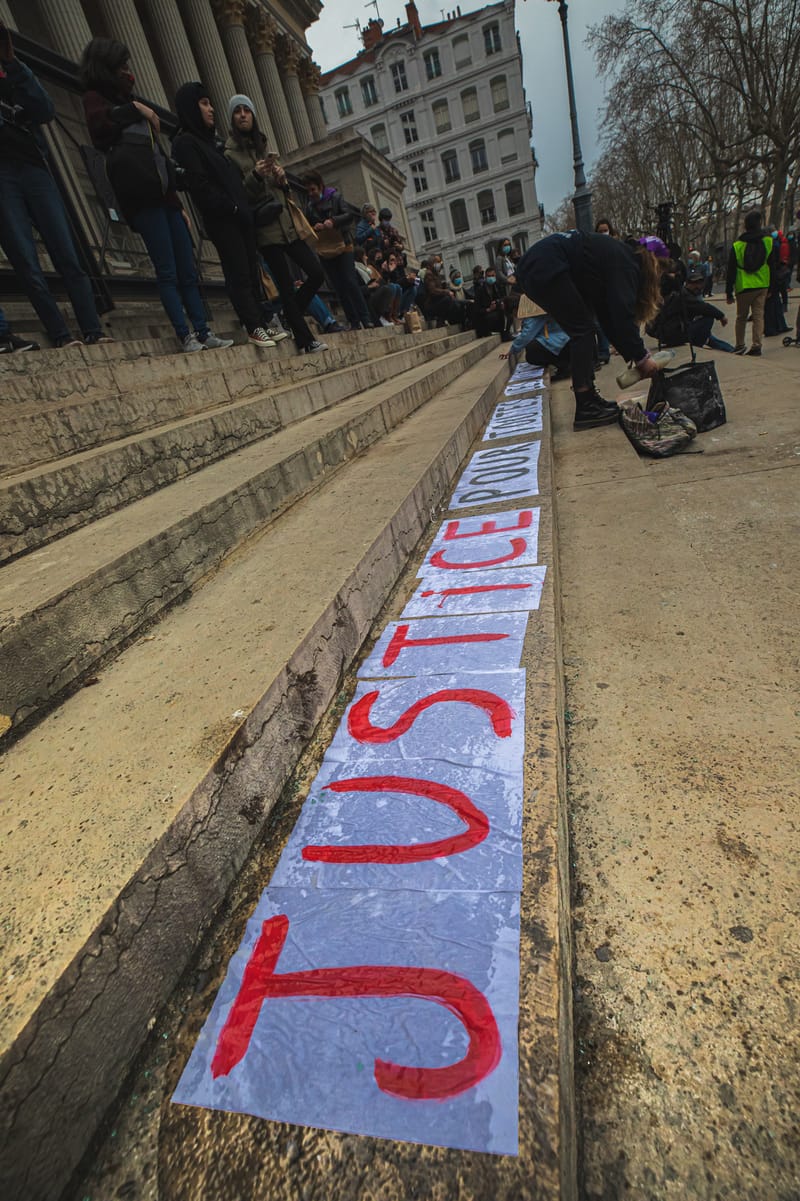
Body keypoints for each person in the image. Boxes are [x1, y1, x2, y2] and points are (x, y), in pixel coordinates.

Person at [80, 39, 232, 354]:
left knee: (187, 269)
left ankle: (202, 331)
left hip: (164, 197)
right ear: (107, 66)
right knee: (167, 270)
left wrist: (177, 201)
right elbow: (100, 131)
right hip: (141, 199)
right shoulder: (98, 98)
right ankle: (185, 334)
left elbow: (157, 155)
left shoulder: (128, 98)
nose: (128, 71)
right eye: (121, 65)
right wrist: (136, 109)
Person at [0, 24, 109, 348]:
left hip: (34, 169)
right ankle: (61, 335)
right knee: (26, 259)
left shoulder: (13, 74)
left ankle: (93, 329)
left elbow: (45, 110)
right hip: (2, 176)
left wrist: (14, 64)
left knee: (68, 253)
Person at [515, 230, 668, 430]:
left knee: (586, 327)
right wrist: (641, 357)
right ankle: (586, 403)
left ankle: (589, 396)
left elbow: (607, 318)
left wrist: (633, 353)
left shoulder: (615, 258)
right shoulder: (626, 262)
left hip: (539, 266)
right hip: (546, 265)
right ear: (653, 261)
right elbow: (622, 315)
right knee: (583, 331)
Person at [172, 83, 276, 348]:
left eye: (210, 103)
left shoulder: (211, 143)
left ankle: (262, 322)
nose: (211, 109)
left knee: (251, 271)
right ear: (191, 107)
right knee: (238, 271)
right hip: (223, 219)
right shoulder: (186, 143)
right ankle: (253, 325)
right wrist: (231, 207)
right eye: (204, 103)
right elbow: (201, 186)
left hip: (239, 217)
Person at [224, 94, 326, 354]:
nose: (244, 115)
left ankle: (289, 316)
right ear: (232, 118)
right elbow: (239, 195)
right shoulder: (230, 154)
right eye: (238, 111)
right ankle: (305, 339)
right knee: (286, 284)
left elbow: (282, 192)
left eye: (247, 110)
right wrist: (256, 175)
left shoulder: (262, 145)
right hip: (265, 229)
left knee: (315, 273)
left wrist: (282, 181)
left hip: (286, 225)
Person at [301, 170, 374, 331]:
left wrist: (333, 221)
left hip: (343, 245)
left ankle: (365, 318)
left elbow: (348, 215)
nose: (311, 193)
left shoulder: (335, 197)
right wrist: (316, 227)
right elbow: (307, 227)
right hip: (325, 249)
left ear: (320, 187)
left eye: (313, 189)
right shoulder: (309, 207)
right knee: (338, 286)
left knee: (350, 281)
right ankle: (353, 321)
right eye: (308, 191)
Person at [725, 209, 776, 356]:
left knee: (741, 317)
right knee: (758, 315)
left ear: (746, 226)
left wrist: (729, 291)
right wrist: (772, 286)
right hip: (762, 284)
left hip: (744, 285)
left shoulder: (737, 246)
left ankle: (740, 344)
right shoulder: (768, 242)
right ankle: (757, 345)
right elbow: (772, 265)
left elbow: (731, 270)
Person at [649, 268, 735, 351]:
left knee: (708, 337)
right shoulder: (685, 296)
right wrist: (721, 316)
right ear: (687, 284)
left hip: (670, 332)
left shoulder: (681, 294)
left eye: (700, 283)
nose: (698, 286)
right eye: (694, 283)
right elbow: (705, 308)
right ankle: (701, 341)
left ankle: (731, 350)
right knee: (708, 319)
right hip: (673, 333)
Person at [474, 266, 512, 339]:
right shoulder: (480, 290)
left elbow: (502, 297)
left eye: (492, 276)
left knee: (508, 310)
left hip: (497, 311)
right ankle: (504, 335)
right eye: (488, 276)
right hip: (486, 316)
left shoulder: (497, 286)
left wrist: (501, 302)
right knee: (499, 314)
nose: (490, 278)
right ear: (485, 277)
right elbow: (477, 310)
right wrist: (489, 309)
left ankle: (506, 332)